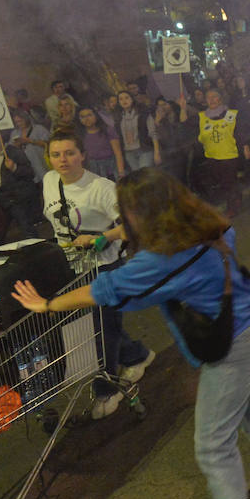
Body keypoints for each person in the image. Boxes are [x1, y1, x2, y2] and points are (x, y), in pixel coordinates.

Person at [13, 168, 250, 499]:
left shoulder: (161, 260)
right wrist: (112, 236)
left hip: (233, 345)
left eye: (127, 213)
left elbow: (103, 290)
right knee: (246, 407)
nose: (122, 220)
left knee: (213, 446)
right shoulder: (207, 223)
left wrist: (48, 304)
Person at [41, 127, 154, 418]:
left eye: (69, 153)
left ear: (83, 155)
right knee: (103, 326)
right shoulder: (50, 181)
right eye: (56, 154)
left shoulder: (102, 188)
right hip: (73, 267)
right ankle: (138, 355)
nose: (62, 160)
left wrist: (103, 237)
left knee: (101, 332)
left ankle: (107, 390)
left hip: (105, 267)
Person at [0, 130, 42, 247]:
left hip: (16, 199)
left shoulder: (13, 152)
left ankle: (41, 254)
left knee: (28, 231)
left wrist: (14, 168)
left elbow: (30, 173)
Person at [197, 88, 250, 217]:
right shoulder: (202, 117)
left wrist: (245, 146)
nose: (211, 99)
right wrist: (182, 108)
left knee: (229, 183)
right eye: (208, 97)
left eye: (214, 96)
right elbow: (188, 125)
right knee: (222, 183)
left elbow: (238, 132)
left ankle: (232, 207)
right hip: (211, 156)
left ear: (220, 98)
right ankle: (237, 196)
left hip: (228, 155)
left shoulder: (230, 115)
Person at [77, 106, 126, 179]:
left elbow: (118, 153)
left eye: (89, 115)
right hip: (92, 169)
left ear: (96, 116)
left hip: (110, 167)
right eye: (82, 117)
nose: (86, 119)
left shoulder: (108, 130)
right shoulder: (80, 134)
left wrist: (121, 173)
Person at [116, 89, 159, 172]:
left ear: (132, 99)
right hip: (129, 152)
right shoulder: (119, 118)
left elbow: (153, 133)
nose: (124, 101)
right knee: (138, 177)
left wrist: (157, 152)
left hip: (144, 149)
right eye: (120, 99)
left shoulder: (143, 114)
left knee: (144, 174)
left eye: (126, 98)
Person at [9, 108, 51, 176]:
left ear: (26, 119)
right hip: (27, 168)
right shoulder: (14, 133)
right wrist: (16, 145)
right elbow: (11, 149)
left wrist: (30, 141)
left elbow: (48, 144)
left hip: (41, 163)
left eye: (20, 121)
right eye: (16, 122)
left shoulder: (39, 129)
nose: (19, 124)